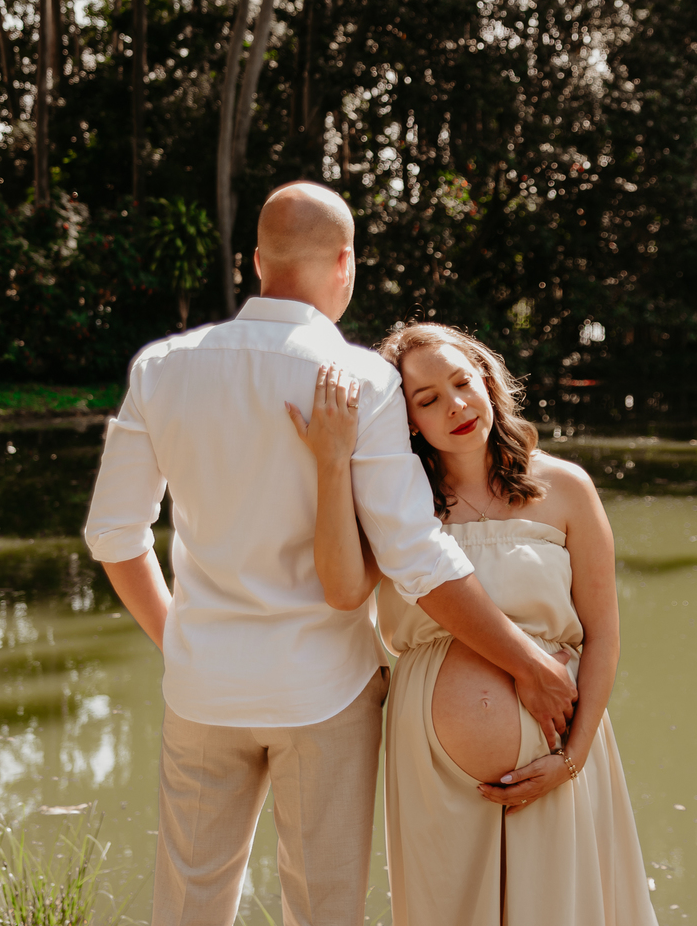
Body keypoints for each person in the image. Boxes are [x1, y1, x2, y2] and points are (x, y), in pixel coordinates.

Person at [83, 181, 577, 926]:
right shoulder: (362, 380)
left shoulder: (163, 370)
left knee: (187, 905)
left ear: (256, 261)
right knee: (323, 911)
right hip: (325, 693)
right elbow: (415, 556)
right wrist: (527, 661)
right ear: (345, 263)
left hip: (203, 688)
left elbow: (114, 536)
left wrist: (177, 638)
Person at [288, 323, 660, 926]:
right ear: (406, 420)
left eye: (462, 383)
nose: (455, 405)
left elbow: (604, 638)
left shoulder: (565, 488)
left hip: (558, 748)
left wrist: (572, 758)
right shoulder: (395, 504)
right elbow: (342, 589)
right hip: (430, 763)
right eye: (427, 399)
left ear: (487, 381)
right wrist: (334, 464)